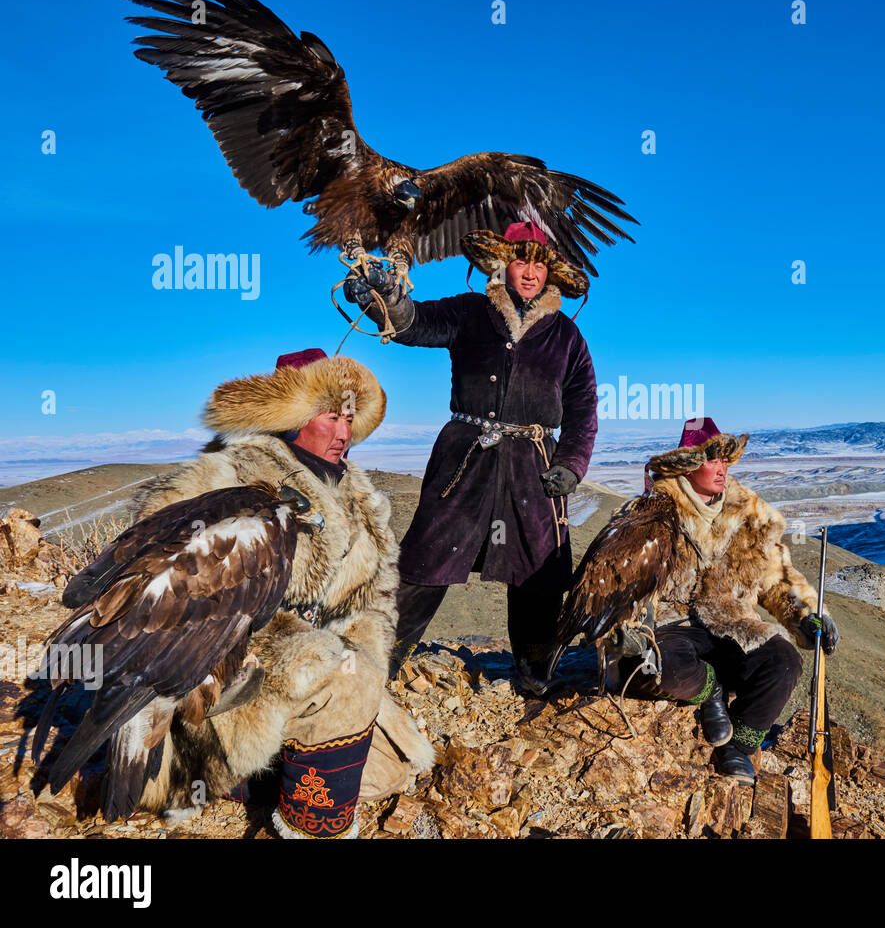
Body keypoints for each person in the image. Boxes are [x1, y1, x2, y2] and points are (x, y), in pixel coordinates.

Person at [129, 348, 433, 837]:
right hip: (237, 680)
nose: (343, 433)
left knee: (388, 770)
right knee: (336, 718)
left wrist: (367, 659)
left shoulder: (356, 493)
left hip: (324, 668)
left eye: (350, 418)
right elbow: (149, 561)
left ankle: (276, 768)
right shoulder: (233, 475)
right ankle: (298, 819)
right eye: (330, 416)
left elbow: (374, 600)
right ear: (291, 419)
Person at [347, 223, 598, 689]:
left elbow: (583, 408)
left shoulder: (567, 336)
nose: (529, 273)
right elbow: (412, 323)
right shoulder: (471, 311)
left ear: (550, 274)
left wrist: (570, 464)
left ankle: (535, 673)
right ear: (502, 263)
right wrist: (378, 298)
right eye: (521, 261)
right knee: (426, 561)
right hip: (466, 458)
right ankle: (380, 661)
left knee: (538, 573)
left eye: (539, 264)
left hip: (534, 465)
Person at [616, 418, 839, 784]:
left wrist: (808, 617)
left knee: (784, 663)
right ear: (687, 465)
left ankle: (737, 744)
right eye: (712, 460)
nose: (722, 469)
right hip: (667, 627)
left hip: (730, 626)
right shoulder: (649, 513)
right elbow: (619, 583)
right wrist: (625, 630)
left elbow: (776, 579)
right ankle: (711, 689)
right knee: (653, 667)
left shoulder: (751, 518)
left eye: (726, 461)